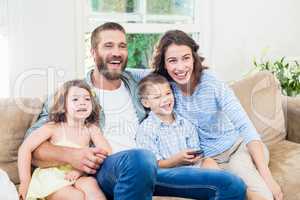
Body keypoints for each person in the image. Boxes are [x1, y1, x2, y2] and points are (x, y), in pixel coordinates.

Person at [26, 22, 246, 200]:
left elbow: (173, 70)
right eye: (108, 46)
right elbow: (33, 147)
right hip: (111, 169)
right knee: (140, 159)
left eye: (122, 46)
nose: (117, 52)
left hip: (154, 168)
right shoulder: (73, 94)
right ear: (93, 52)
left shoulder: (136, 83)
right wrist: (73, 155)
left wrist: (205, 75)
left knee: (232, 186)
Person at [152, 29, 283, 200]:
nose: (180, 67)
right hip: (208, 160)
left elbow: (245, 126)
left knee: (262, 196)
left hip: (237, 149)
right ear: (164, 64)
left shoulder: (211, 82)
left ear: (194, 57)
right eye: (172, 60)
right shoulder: (165, 87)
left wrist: (268, 178)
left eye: (186, 58)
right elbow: (127, 72)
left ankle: (257, 171)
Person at [18, 80, 111, 200]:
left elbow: (106, 151)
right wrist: (25, 181)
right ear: (63, 105)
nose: (82, 103)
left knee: (91, 185)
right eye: (75, 99)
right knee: (76, 196)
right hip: (52, 177)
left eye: (87, 99)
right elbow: (25, 148)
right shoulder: (53, 127)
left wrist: (80, 171)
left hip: (78, 175)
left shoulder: (92, 129)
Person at [136, 73, 219, 170]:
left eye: (168, 93)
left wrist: (195, 158)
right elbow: (153, 165)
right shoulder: (146, 130)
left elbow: (196, 153)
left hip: (192, 170)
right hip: (169, 175)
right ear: (146, 103)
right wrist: (175, 161)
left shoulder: (185, 123)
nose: (165, 99)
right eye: (157, 97)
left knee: (209, 161)